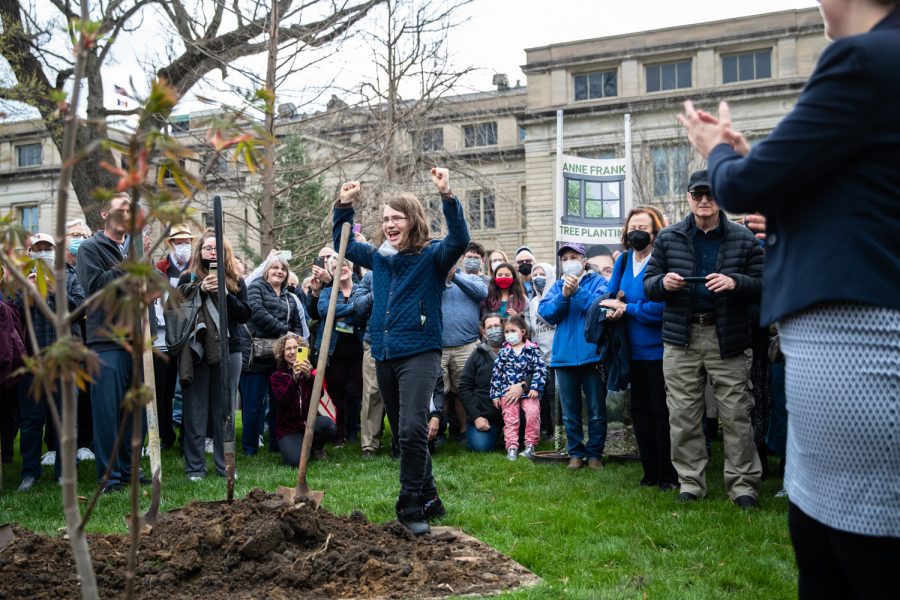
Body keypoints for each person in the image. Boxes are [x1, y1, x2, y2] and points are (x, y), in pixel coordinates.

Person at [677, 1, 900, 593]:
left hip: (857, 345)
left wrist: (717, 151)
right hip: (844, 341)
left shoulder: (864, 57)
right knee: (822, 539)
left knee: (856, 548)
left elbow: (746, 187)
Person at [333, 167, 469, 536]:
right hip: (385, 352)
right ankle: (431, 495)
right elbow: (341, 243)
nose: (389, 224)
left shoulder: (432, 256)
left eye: (397, 218)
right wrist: (343, 206)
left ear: (412, 220)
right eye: (385, 219)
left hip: (421, 351)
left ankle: (409, 504)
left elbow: (459, 238)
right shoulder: (378, 257)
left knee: (412, 428)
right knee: (403, 432)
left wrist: (447, 195)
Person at [643, 170, 763, 508]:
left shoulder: (743, 238)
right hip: (681, 336)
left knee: (737, 413)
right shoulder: (668, 237)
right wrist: (663, 284)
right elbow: (649, 284)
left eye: (710, 194)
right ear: (689, 198)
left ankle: (743, 486)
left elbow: (765, 282)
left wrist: (735, 282)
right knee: (682, 413)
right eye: (698, 194)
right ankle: (690, 483)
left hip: (727, 334)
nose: (704, 200)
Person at [600, 207, 677, 491]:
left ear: (656, 231)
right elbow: (612, 295)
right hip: (628, 351)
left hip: (659, 350)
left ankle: (668, 475)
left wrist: (628, 308)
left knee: (662, 412)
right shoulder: (622, 262)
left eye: (643, 227)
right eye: (632, 227)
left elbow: (663, 307)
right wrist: (613, 307)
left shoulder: (663, 260)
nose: (637, 232)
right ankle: (650, 473)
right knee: (640, 412)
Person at [75, 193, 144, 493]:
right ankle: (109, 477)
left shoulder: (133, 247)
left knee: (132, 412)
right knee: (107, 413)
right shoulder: (90, 248)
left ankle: (129, 471)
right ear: (104, 214)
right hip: (106, 341)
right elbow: (94, 288)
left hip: (134, 341)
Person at [177, 230, 249, 481]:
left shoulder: (235, 280)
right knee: (195, 411)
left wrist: (225, 295)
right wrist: (200, 290)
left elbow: (244, 315)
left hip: (230, 350)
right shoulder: (187, 277)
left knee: (224, 411)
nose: (212, 252)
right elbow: (177, 310)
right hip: (197, 351)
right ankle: (195, 467)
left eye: (216, 248)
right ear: (199, 252)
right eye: (207, 248)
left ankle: (225, 464)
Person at [16, 233, 85, 490]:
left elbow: (80, 310)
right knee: (32, 420)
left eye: (47, 248)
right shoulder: (20, 277)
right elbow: (12, 315)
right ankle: (30, 472)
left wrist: (55, 292)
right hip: (33, 360)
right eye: (38, 248)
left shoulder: (69, 275)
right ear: (30, 252)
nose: (43, 252)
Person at [538, 242, 608, 470]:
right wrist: (564, 296)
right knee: (570, 411)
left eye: (573, 256)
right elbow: (546, 313)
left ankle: (595, 453)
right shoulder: (557, 286)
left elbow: (597, 308)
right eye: (565, 258)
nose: (569, 261)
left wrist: (577, 292)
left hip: (592, 356)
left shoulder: (598, 282)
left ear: (584, 261)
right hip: (564, 357)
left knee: (597, 410)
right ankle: (576, 454)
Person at [243, 253, 304, 455]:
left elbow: (297, 326)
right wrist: (285, 331)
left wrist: (298, 348)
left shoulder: (289, 297)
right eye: (274, 268)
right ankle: (250, 447)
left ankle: (277, 445)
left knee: (279, 404)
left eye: (283, 269)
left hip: (279, 360)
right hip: (255, 358)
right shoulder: (255, 288)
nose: (279, 271)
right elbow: (257, 312)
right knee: (253, 406)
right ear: (266, 270)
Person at [315, 255, 367, 445]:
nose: (341, 268)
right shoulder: (327, 292)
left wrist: (342, 311)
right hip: (335, 352)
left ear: (350, 267)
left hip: (359, 351)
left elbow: (364, 313)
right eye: (335, 266)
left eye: (343, 265)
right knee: (338, 394)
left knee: (363, 393)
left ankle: (366, 435)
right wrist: (352, 308)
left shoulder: (361, 289)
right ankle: (340, 435)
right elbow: (324, 311)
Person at [440, 241, 488, 441]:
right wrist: (446, 276)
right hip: (439, 345)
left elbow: (482, 294)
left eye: (476, 257)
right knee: (439, 391)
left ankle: (463, 430)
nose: (471, 260)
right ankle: (439, 430)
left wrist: (456, 277)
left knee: (463, 390)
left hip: (466, 344)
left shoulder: (475, 280)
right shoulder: (440, 277)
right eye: (468, 256)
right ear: (461, 258)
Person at [153, 224, 195, 450]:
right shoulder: (161, 268)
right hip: (163, 339)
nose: (184, 247)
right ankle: (165, 435)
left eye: (187, 242)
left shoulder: (195, 266)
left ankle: (187, 437)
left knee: (189, 387)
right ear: (171, 244)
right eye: (179, 242)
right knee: (164, 390)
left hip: (188, 336)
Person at [269, 333, 335, 466]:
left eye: (296, 348)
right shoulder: (277, 376)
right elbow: (283, 400)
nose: (292, 352)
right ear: (282, 353)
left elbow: (320, 394)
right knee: (296, 461)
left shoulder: (308, 373)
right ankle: (297, 448)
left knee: (329, 425)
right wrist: (293, 379)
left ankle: (316, 447)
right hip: (288, 429)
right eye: (288, 349)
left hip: (308, 423)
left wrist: (309, 377)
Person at [490, 314, 547, 460]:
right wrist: (496, 394)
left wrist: (535, 387)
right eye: (507, 332)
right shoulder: (503, 352)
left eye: (513, 331)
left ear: (522, 332)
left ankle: (530, 445)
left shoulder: (532, 350)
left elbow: (540, 370)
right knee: (510, 418)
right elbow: (496, 374)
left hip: (529, 393)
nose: (510, 335)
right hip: (508, 393)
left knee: (533, 414)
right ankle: (512, 447)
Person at [64, 219, 94, 459]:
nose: (78, 239)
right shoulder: (60, 269)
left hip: (92, 334)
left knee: (87, 391)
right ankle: (55, 445)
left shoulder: (90, 265)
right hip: (70, 336)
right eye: (74, 234)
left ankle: (85, 442)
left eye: (83, 235)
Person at [458, 314, 505, 452]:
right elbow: (464, 387)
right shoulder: (477, 355)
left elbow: (536, 375)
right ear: (483, 332)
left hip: (514, 412)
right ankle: (496, 433)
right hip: (486, 415)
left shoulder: (518, 351)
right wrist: (477, 417)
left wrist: (522, 385)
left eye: (497, 326)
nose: (494, 330)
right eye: (489, 327)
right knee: (480, 447)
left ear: (503, 327)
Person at [528, 262, 557, 440]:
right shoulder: (533, 302)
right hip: (541, 358)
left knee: (556, 395)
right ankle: (549, 430)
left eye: (542, 274)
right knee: (545, 395)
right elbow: (534, 332)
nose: (538, 277)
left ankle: (558, 431)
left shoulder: (558, 297)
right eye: (535, 274)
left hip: (558, 356)